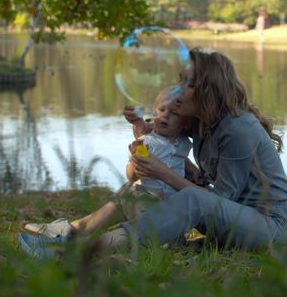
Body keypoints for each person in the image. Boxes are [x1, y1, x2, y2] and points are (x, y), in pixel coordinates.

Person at [21, 48, 287, 257]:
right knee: (138, 189)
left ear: (207, 90)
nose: (178, 89)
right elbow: (160, 129)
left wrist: (164, 173)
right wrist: (140, 122)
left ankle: (83, 252)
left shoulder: (237, 129)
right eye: (180, 80)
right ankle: (73, 231)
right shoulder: (202, 121)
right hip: (233, 220)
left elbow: (221, 200)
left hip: (269, 225)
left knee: (190, 198)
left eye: (188, 83)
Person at [19, 86, 198, 256]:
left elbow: (179, 157)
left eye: (173, 113)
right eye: (160, 110)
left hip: (169, 203)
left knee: (155, 230)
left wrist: (195, 171)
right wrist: (136, 166)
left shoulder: (183, 142)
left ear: (184, 124)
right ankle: (69, 238)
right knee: (136, 219)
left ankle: (70, 239)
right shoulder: (147, 142)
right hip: (148, 201)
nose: (164, 116)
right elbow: (132, 173)